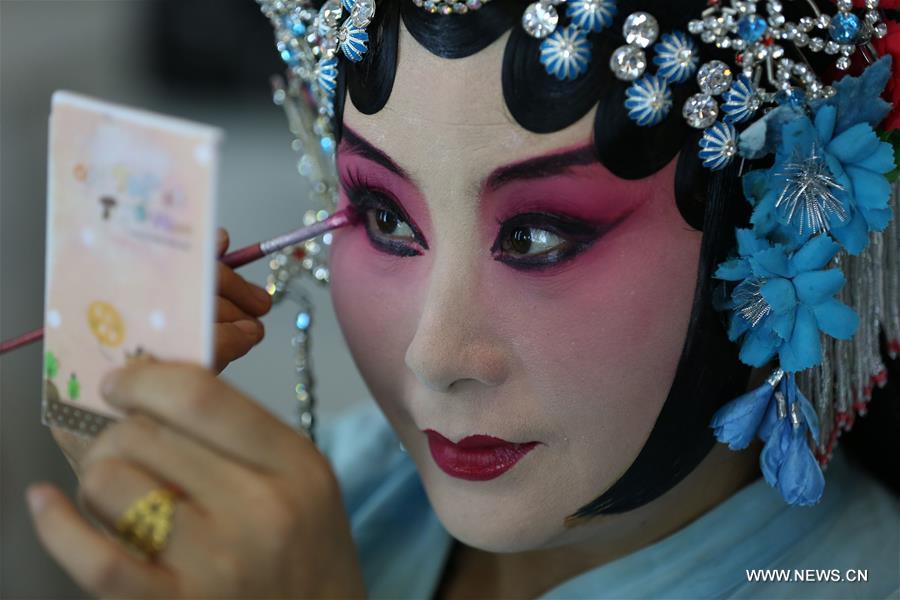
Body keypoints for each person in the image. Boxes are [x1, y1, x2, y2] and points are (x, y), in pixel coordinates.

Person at [27, 0, 900, 598]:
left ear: (790, 221)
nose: (433, 356)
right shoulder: (344, 488)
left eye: (537, 237)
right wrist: (131, 464)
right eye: (383, 217)